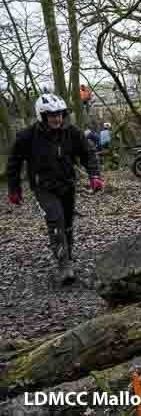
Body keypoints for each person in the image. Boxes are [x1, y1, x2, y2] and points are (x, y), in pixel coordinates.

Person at [6, 93, 104, 285]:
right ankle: (63, 265)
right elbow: (14, 163)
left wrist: (94, 175)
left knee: (67, 223)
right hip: (43, 187)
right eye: (52, 115)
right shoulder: (27, 137)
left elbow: (88, 153)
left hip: (67, 184)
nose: (57, 119)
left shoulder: (72, 132)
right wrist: (14, 188)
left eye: (60, 114)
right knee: (56, 220)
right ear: (42, 116)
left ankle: (68, 255)